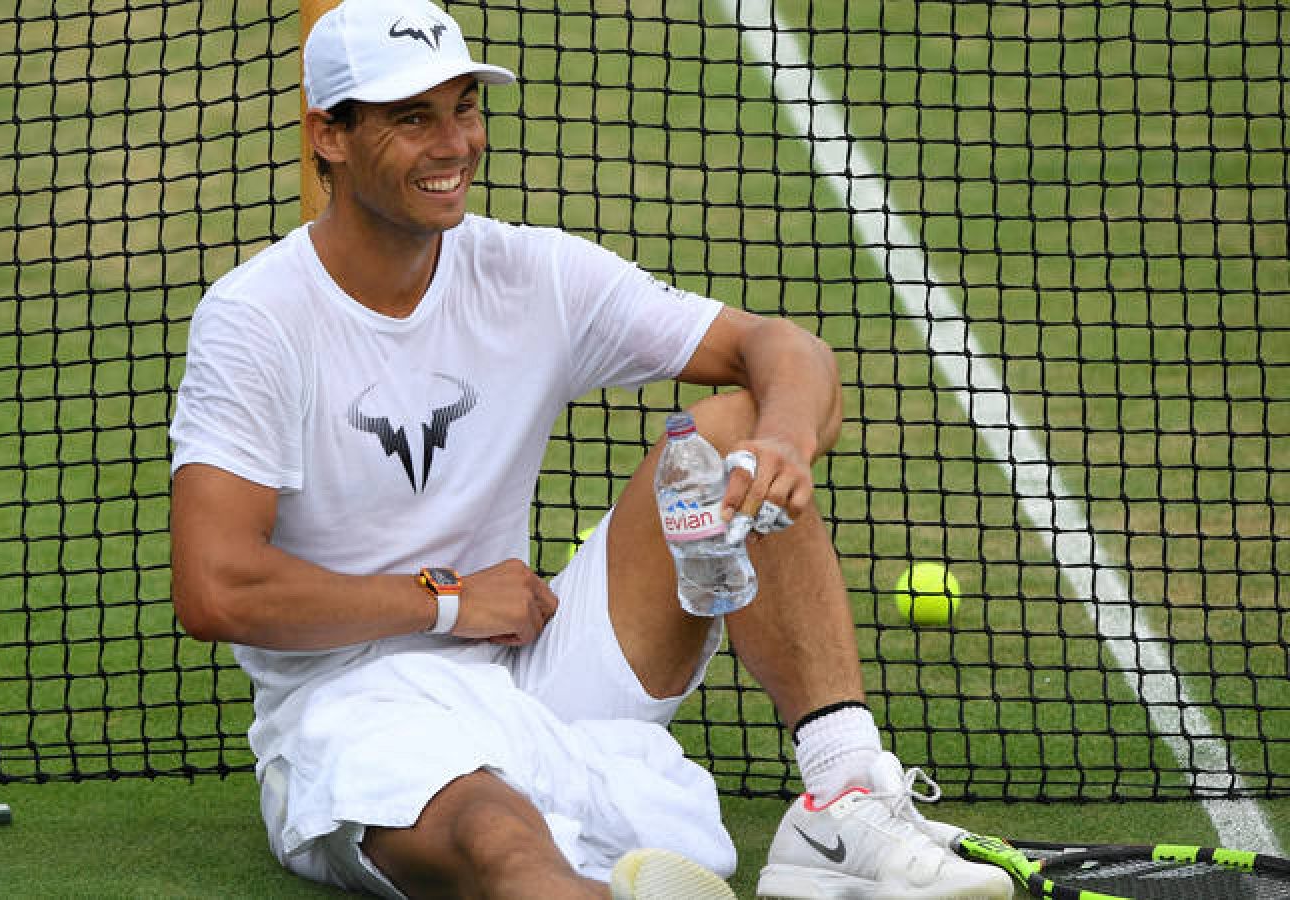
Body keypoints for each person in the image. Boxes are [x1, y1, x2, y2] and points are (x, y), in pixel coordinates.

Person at [168, 0, 1015, 897]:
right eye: (412, 118)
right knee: (503, 839)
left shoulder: (528, 273)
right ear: (328, 136)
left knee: (733, 431)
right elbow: (216, 588)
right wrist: (450, 603)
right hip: (350, 705)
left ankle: (843, 798)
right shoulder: (256, 320)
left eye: (463, 108)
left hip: (533, 655)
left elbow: (781, 349)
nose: (453, 143)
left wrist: (783, 444)